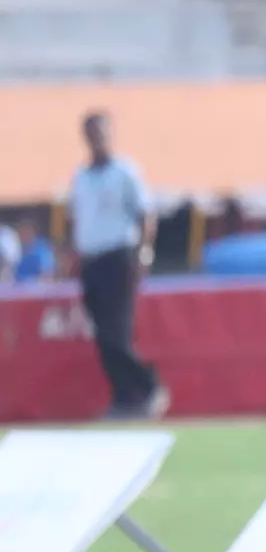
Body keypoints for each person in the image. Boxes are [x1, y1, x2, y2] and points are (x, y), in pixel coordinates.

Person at [65, 112, 165, 421]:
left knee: (115, 332)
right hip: (91, 261)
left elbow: (146, 214)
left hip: (118, 257)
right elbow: (77, 220)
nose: (98, 139)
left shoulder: (124, 172)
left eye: (102, 133)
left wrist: (143, 253)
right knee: (101, 334)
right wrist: (73, 255)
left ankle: (149, 385)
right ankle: (123, 398)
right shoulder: (81, 177)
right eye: (92, 133)